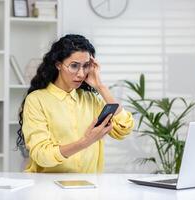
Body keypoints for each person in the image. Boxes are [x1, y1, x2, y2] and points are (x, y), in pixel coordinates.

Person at [17, 34, 134, 173]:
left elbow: (123, 129)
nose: (81, 73)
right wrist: (85, 142)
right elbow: (41, 155)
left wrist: (100, 86)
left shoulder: (91, 99)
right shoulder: (36, 100)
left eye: (86, 66)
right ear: (58, 64)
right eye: (74, 66)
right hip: (48, 187)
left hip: (88, 188)